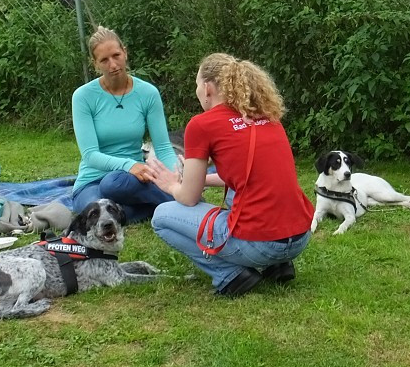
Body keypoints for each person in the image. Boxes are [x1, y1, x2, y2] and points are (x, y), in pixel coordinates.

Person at [148, 53, 312, 298]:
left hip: (262, 245)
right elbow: (248, 174)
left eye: (196, 85)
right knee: (249, 191)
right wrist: (201, 178)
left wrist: (171, 185)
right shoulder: (266, 116)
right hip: (299, 237)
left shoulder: (202, 124)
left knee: (161, 216)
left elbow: (189, 198)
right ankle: (276, 265)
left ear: (207, 88)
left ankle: (230, 275)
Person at [71, 27, 178, 223]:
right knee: (98, 215)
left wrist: (177, 177)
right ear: (95, 64)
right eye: (104, 60)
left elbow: (162, 147)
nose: (112, 64)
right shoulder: (83, 97)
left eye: (116, 55)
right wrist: (129, 165)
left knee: (113, 185)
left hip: (128, 181)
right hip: (93, 182)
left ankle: (176, 197)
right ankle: (157, 206)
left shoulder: (148, 93)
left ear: (125, 53)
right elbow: (90, 155)